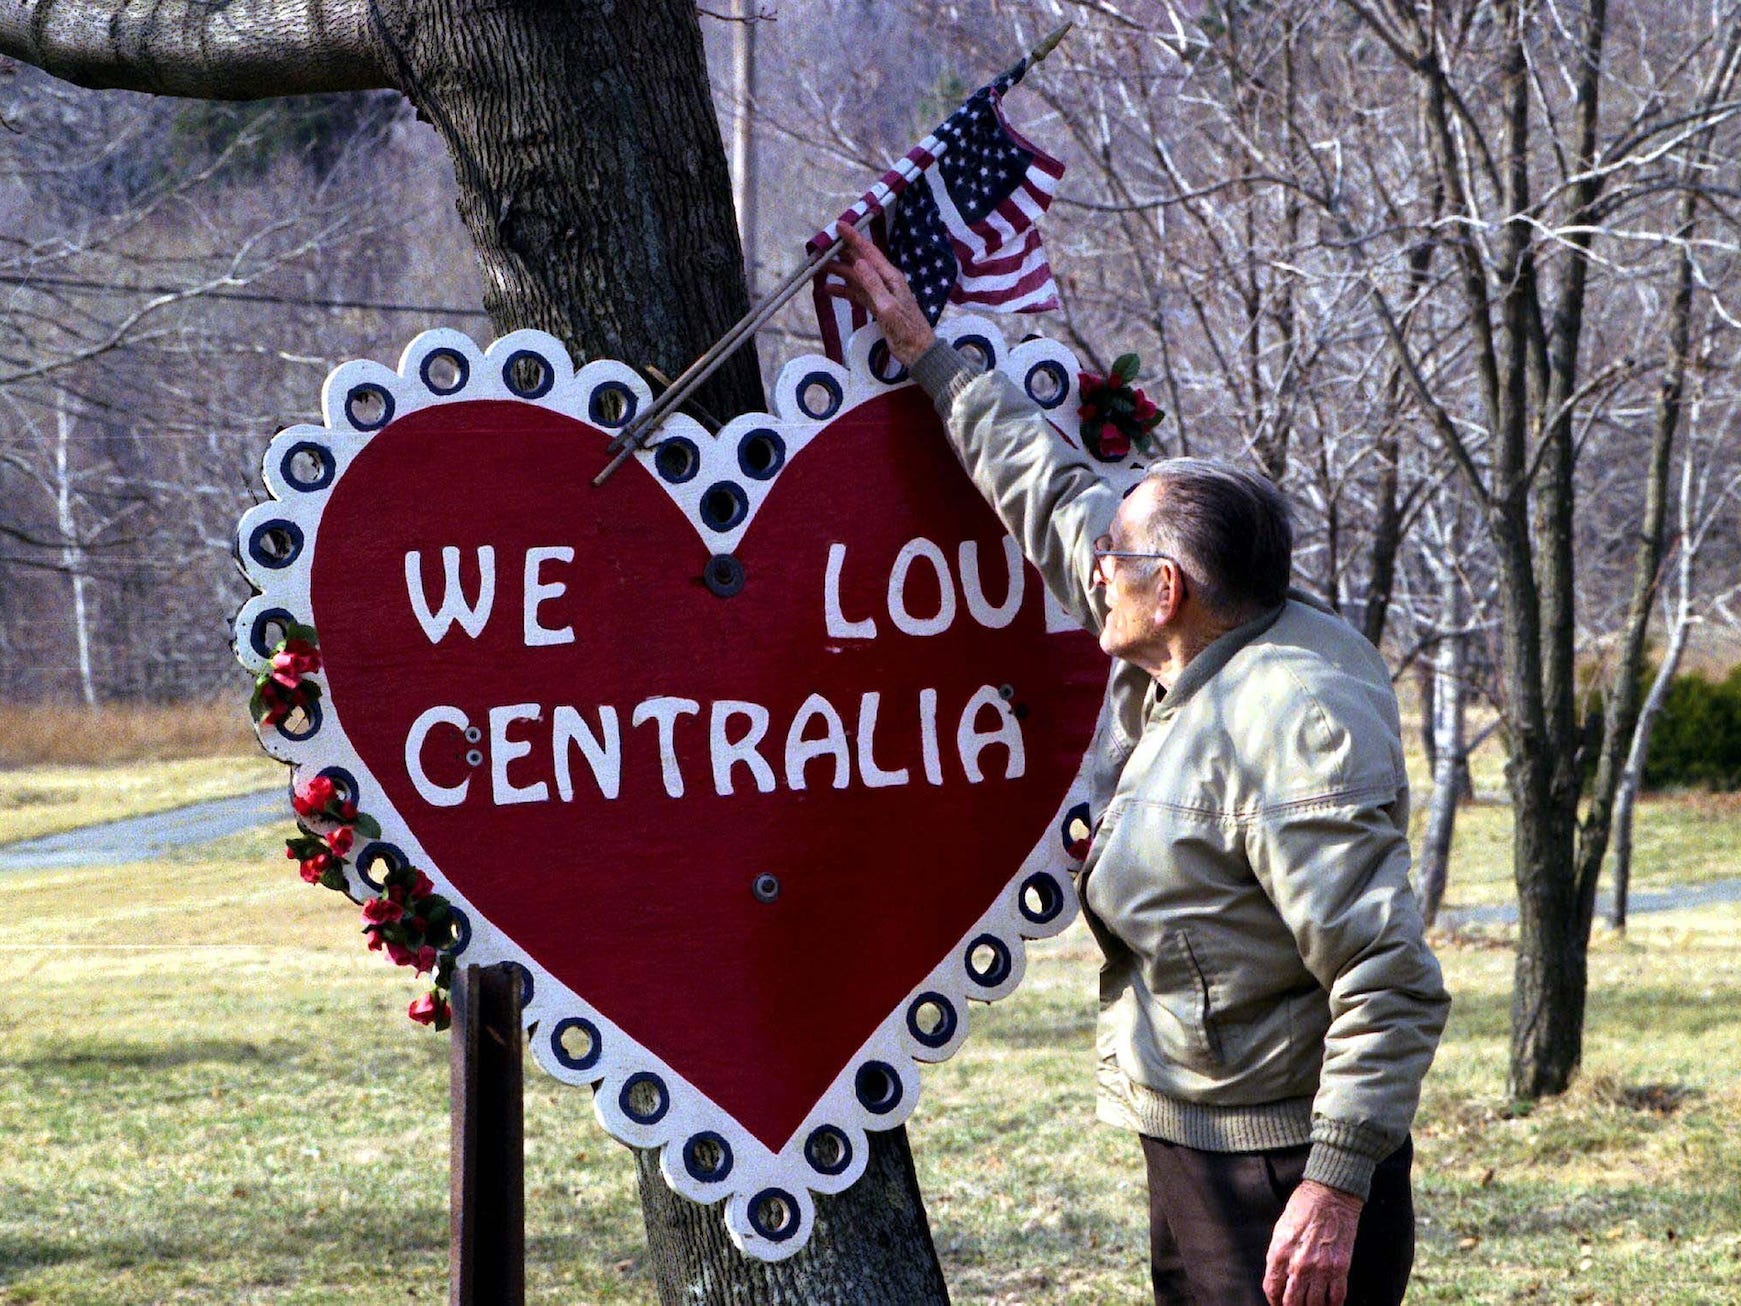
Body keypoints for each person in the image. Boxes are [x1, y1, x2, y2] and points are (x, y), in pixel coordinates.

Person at [830, 224, 1450, 1306]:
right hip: (1198, 1138)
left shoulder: (1293, 718)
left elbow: (1386, 980)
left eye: (1116, 562)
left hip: (1278, 1170)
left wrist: (1333, 1187)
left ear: (1166, 588)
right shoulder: (1202, 629)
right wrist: (925, 351)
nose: (1094, 569)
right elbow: (1053, 491)